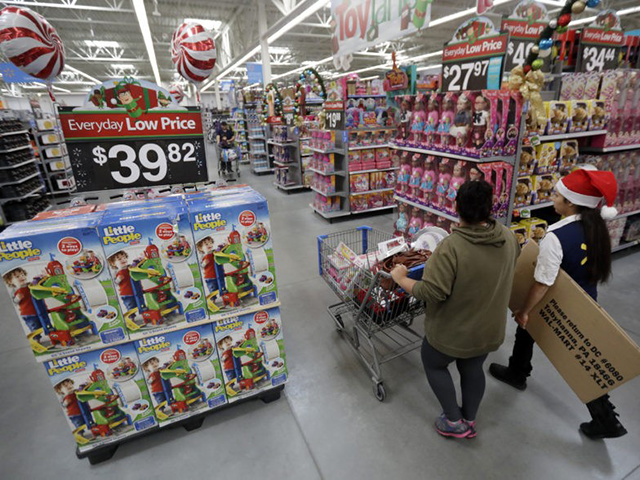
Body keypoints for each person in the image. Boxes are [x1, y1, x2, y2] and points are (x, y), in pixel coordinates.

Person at [490, 168, 627, 440]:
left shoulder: (556, 236)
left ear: (571, 203)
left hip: (559, 301)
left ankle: (606, 420)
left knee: (577, 360)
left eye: (557, 195)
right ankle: (517, 371)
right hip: (585, 299)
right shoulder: (595, 226)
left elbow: (542, 283)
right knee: (544, 340)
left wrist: (524, 311)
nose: (553, 198)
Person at [391, 180, 520, 439]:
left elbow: (431, 292)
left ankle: (453, 421)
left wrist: (401, 278)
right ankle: (469, 419)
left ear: (456, 207)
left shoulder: (451, 247)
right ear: (490, 207)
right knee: (473, 368)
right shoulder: (508, 236)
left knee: (434, 364)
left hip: (452, 332)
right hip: (488, 330)